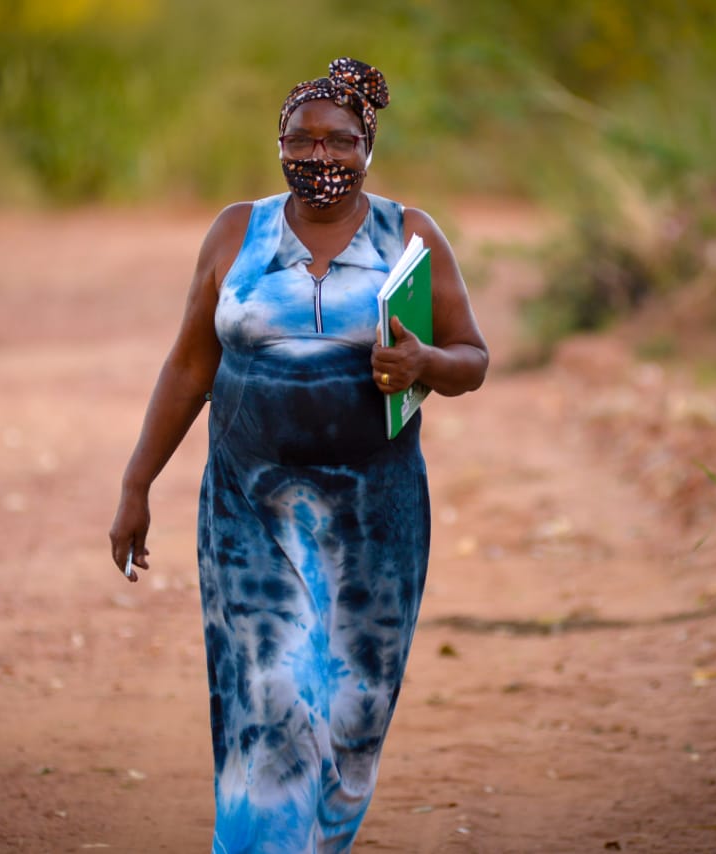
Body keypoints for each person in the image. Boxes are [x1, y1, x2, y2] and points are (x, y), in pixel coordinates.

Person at [109, 57, 488, 853]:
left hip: (375, 525)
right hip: (251, 511)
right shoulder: (235, 233)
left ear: (368, 145)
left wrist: (424, 365)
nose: (321, 158)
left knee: (354, 718)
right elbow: (188, 366)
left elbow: (472, 358)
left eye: (340, 142)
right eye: (302, 140)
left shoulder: (409, 236)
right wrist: (137, 483)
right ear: (278, 142)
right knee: (272, 694)